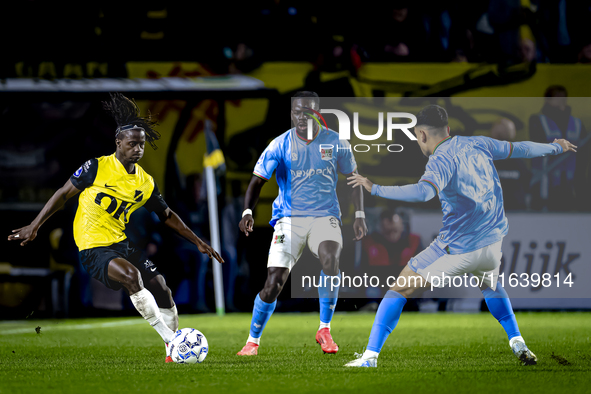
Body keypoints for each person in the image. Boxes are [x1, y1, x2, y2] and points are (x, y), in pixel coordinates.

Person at [345, 104, 576, 367]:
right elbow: (521, 148)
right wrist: (556, 146)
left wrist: (374, 188)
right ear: (448, 129)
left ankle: (370, 357)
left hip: (458, 249)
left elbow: (423, 193)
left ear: (421, 134)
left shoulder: (440, 159)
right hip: (492, 244)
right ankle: (517, 342)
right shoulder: (479, 143)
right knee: (490, 285)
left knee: (398, 289)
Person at [7, 93, 223, 363]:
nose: (138, 149)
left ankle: (173, 349)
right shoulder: (96, 167)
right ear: (118, 143)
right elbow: (63, 194)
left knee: (162, 287)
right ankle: (172, 342)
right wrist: (34, 225)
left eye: (142, 144)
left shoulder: (145, 181)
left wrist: (198, 241)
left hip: (120, 242)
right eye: (132, 143)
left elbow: (166, 215)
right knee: (133, 278)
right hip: (92, 245)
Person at [236, 91, 367, 356]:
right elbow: (257, 180)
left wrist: (360, 215)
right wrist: (247, 211)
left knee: (331, 259)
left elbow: (354, 179)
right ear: (291, 112)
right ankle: (252, 341)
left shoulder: (336, 142)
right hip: (289, 220)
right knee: (273, 283)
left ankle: (324, 328)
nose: (301, 116)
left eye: (307, 111)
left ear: (317, 112)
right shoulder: (280, 144)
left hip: (325, 216)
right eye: (296, 111)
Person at [529, 86, 587, 211]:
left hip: (571, 183)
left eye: (564, 97)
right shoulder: (537, 120)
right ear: (547, 100)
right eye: (557, 97)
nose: (562, 100)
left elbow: (584, 154)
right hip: (545, 182)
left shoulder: (577, 123)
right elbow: (537, 145)